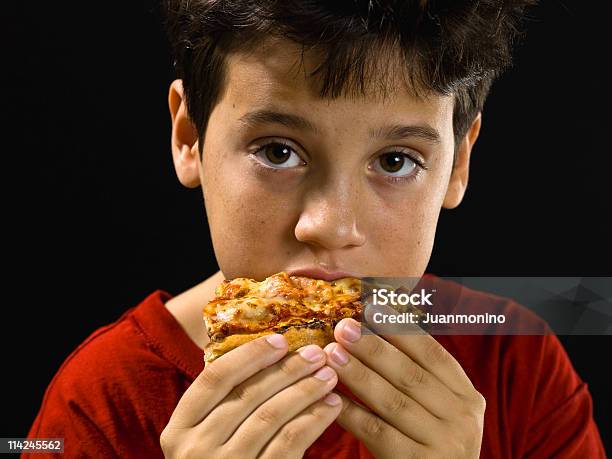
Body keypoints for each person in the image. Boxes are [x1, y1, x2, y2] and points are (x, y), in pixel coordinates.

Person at [26, 1, 606, 457]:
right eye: (277, 151)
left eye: (396, 160)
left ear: (458, 164)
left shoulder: (516, 368)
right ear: (189, 137)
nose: (330, 227)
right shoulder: (101, 404)